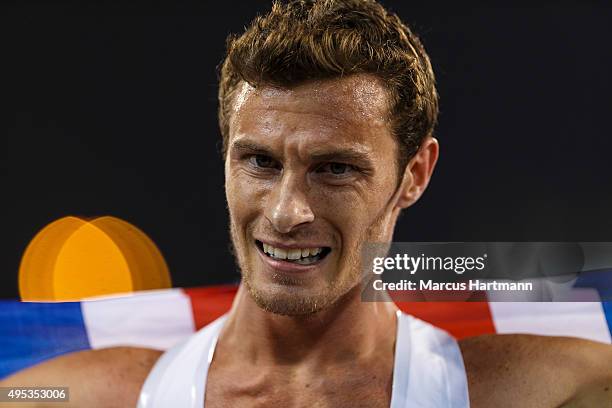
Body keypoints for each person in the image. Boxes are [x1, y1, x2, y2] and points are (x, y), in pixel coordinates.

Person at [2, 1, 611, 407]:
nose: (286, 212)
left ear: (415, 174)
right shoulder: (75, 397)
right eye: (260, 161)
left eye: (336, 168)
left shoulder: (538, 390)